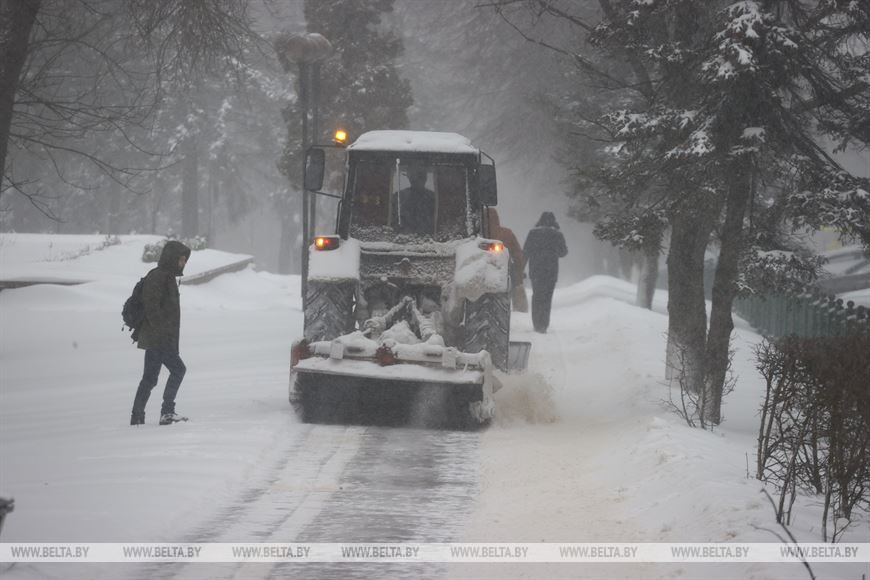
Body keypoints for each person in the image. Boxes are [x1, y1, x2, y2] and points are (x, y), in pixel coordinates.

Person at [130, 240, 192, 426]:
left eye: (184, 260)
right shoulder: (159, 277)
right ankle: (167, 412)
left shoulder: (168, 277)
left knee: (149, 379)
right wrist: (163, 334)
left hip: (158, 338)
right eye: (181, 259)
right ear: (172, 258)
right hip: (159, 339)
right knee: (178, 370)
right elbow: (152, 307)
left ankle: (137, 417)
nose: (183, 263)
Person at [523, 211, 568, 333]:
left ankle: (537, 323)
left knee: (537, 296)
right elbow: (563, 252)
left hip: (536, 271)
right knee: (547, 298)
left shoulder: (533, 233)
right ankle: (543, 324)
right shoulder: (557, 234)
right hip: (551, 272)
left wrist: (521, 268)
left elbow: (526, 252)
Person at [486, 208, 528, 312]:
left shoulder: (476, 236)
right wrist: (519, 270)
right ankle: (520, 309)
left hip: (482, 270)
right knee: (517, 285)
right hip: (504, 271)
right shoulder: (506, 233)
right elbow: (517, 254)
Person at [396, 164, 435, 234]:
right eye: (414, 176)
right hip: (404, 237)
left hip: (429, 237)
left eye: (420, 175)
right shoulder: (399, 196)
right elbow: (395, 221)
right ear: (409, 178)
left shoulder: (434, 198)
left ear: (425, 178)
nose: (417, 179)